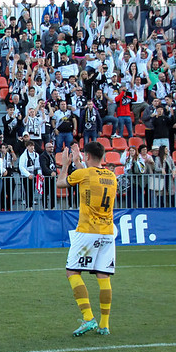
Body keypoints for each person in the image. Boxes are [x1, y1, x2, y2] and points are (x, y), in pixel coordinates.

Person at [56, 142, 117, 336]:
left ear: (87, 156)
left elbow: (60, 183)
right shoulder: (111, 176)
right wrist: (78, 161)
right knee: (103, 275)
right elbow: (90, 176)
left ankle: (88, 317)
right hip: (107, 232)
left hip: (88, 231)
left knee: (72, 271)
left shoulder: (84, 174)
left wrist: (66, 164)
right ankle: (104, 325)